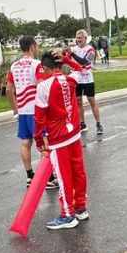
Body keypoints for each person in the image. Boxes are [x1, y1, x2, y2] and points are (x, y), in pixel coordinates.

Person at [35, 50, 88, 229]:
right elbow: (81, 68)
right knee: (78, 172)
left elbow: (39, 118)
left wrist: (40, 143)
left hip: (59, 139)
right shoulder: (70, 79)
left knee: (64, 177)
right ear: (59, 65)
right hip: (74, 135)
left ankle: (68, 215)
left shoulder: (43, 87)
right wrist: (67, 59)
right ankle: (80, 208)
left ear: (44, 68)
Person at [7, 36, 69, 189]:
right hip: (36, 109)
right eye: (37, 46)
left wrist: (15, 108)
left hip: (22, 110)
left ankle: (29, 176)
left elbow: (9, 89)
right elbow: (43, 85)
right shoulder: (36, 65)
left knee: (25, 142)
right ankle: (48, 178)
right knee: (44, 143)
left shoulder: (14, 66)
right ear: (33, 47)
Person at [68, 29, 103, 135]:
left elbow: (83, 62)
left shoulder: (91, 50)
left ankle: (98, 124)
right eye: (77, 37)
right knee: (78, 100)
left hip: (88, 79)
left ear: (85, 38)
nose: (78, 40)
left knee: (91, 100)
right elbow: (67, 60)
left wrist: (71, 54)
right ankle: (82, 123)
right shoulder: (72, 49)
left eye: (80, 38)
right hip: (77, 79)